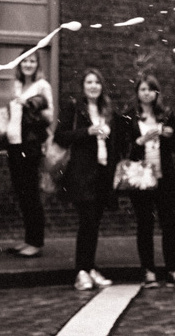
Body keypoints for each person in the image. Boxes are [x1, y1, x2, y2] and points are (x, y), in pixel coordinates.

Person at [117, 73, 175, 289]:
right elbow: (124, 148)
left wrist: (169, 134)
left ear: (156, 92)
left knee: (170, 223)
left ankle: (172, 269)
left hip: (163, 175)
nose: (146, 93)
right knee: (145, 224)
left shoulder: (166, 115)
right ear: (137, 93)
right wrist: (140, 140)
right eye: (142, 89)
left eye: (150, 89)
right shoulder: (129, 117)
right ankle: (148, 270)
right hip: (140, 176)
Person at [55, 68, 117, 291]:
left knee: (95, 223)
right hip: (82, 173)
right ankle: (81, 271)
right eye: (89, 82)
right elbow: (60, 136)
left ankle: (90, 268)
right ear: (83, 86)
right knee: (87, 221)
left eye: (97, 83)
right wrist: (88, 131)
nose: (93, 86)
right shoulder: (74, 108)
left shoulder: (107, 110)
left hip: (102, 172)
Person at [5, 53, 55, 258]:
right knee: (21, 192)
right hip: (14, 144)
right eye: (25, 61)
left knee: (31, 193)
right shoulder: (16, 85)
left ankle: (35, 242)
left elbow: (50, 116)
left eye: (32, 61)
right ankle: (28, 238)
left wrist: (29, 106)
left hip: (30, 145)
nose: (28, 64)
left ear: (37, 65)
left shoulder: (42, 86)